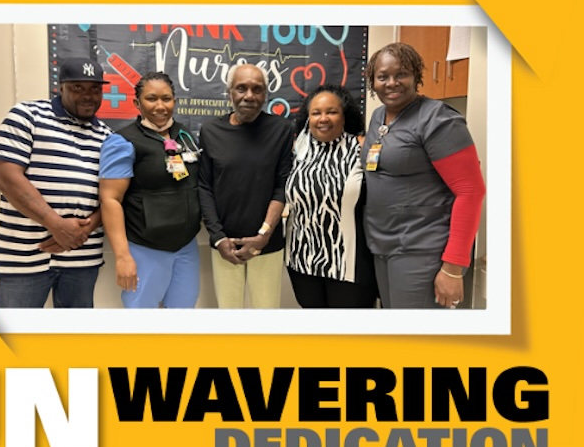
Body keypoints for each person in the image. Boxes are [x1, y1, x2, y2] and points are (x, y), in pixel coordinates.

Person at [362, 42, 486, 308]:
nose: (392, 82)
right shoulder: (378, 117)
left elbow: (471, 191)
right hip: (383, 247)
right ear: (373, 81)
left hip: (422, 250)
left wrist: (453, 267)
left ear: (416, 76)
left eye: (401, 74)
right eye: (382, 76)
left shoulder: (438, 120)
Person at [0, 57, 112, 308]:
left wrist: (83, 230)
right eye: (77, 88)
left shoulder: (108, 136)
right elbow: (5, 177)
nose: (87, 96)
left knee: (73, 342)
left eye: (95, 89)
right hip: (24, 258)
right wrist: (55, 224)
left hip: (82, 258)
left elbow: (112, 196)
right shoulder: (27, 116)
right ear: (60, 87)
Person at [99, 72, 202, 308]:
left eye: (166, 98)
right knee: (142, 326)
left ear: (175, 101)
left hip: (186, 247)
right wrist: (123, 256)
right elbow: (110, 199)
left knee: (182, 319)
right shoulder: (123, 142)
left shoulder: (184, 135)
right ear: (137, 103)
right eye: (151, 98)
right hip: (145, 248)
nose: (160, 106)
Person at [198, 64, 294, 308]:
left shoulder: (281, 130)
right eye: (241, 88)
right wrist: (219, 238)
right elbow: (204, 187)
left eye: (257, 89)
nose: (249, 96)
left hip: (267, 244)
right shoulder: (210, 131)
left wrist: (263, 235)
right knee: (229, 317)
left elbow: (281, 186)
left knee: (266, 314)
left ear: (265, 95)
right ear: (229, 92)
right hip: (225, 246)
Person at [285, 84, 379, 308]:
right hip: (302, 260)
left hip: (351, 264)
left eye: (332, 112)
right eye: (316, 113)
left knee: (349, 337)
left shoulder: (362, 149)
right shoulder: (297, 150)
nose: (323, 118)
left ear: (345, 116)